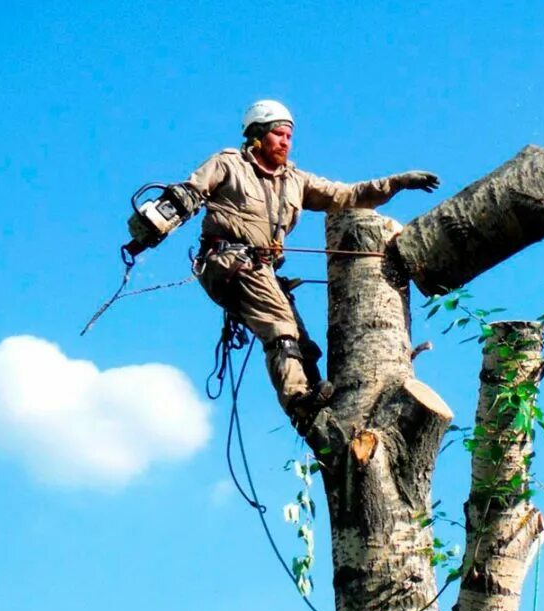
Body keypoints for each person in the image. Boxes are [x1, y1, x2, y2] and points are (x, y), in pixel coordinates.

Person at [178, 99, 439, 430]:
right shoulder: (229, 164)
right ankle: (299, 402)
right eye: (278, 134)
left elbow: (347, 195)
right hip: (230, 261)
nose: (286, 141)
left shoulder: (294, 181)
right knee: (281, 330)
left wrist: (399, 182)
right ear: (257, 136)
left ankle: (319, 403)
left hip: (262, 271)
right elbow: (186, 193)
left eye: (289, 135)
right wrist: (156, 223)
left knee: (302, 345)